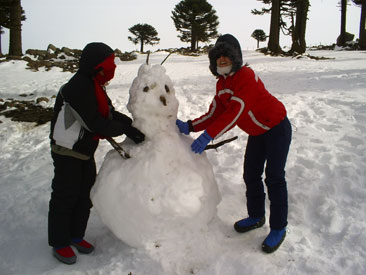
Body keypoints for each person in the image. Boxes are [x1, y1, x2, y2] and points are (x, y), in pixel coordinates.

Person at [176, 34, 292, 253]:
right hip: (257, 133)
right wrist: (190, 126)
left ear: (236, 57)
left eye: (226, 55)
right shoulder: (222, 85)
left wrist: (207, 136)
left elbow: (235, 111)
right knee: (251, 174)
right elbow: (214, 113)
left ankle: (279, 227)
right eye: (217, 56)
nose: (221, 59)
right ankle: (257, 216)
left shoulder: (246, 76)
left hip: (277, 129)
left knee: (274, 178)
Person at [49, 42, 145, 264]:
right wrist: (124, 129)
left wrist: (130, 124)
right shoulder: (77, 88)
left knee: (85, 194)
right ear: (96, 66)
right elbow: (95, 123)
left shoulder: (95, 84)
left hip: (83, 150)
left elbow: (109, 113)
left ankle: (76, 235)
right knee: (65, 196)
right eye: (109, 65)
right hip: (67, 150)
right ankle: (60, 242)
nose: (112, 69)